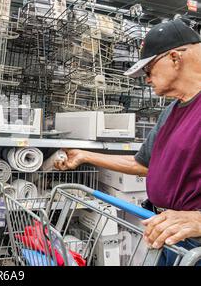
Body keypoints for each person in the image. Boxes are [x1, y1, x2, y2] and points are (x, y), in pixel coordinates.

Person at [54, 19, 201, 264]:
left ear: (175, 58)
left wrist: (198, 220)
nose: (147, 79)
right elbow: (143, 164)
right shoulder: (172, 111)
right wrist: (85, 155)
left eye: (149, 70)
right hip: (170, 235)